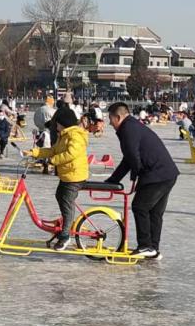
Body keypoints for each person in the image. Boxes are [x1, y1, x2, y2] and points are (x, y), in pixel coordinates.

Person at [106, 101, 180, 257]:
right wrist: (114, 179)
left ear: (118, 117)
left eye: (110, 119)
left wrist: (135, 175)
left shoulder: (128, 129)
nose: (109, 123)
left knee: (140, 207)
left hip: (156, 174)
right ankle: (153, 248)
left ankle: (146, 246)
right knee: (154, 212)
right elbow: (129, 158)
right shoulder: (132, 126)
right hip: (167, 173)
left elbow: (132, 156)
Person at [25, 107, 89, 250]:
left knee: (66, 201)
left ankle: (65, 236)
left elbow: (71, 154)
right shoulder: (64, 135)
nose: (56, 126)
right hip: (67, 175)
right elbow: (52, 150)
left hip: (75, 176)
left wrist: (52, 161)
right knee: (59, 195)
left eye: (57, 123)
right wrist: (34, 152)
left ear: (64, 123)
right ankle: (65, 222)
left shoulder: (75, 136)